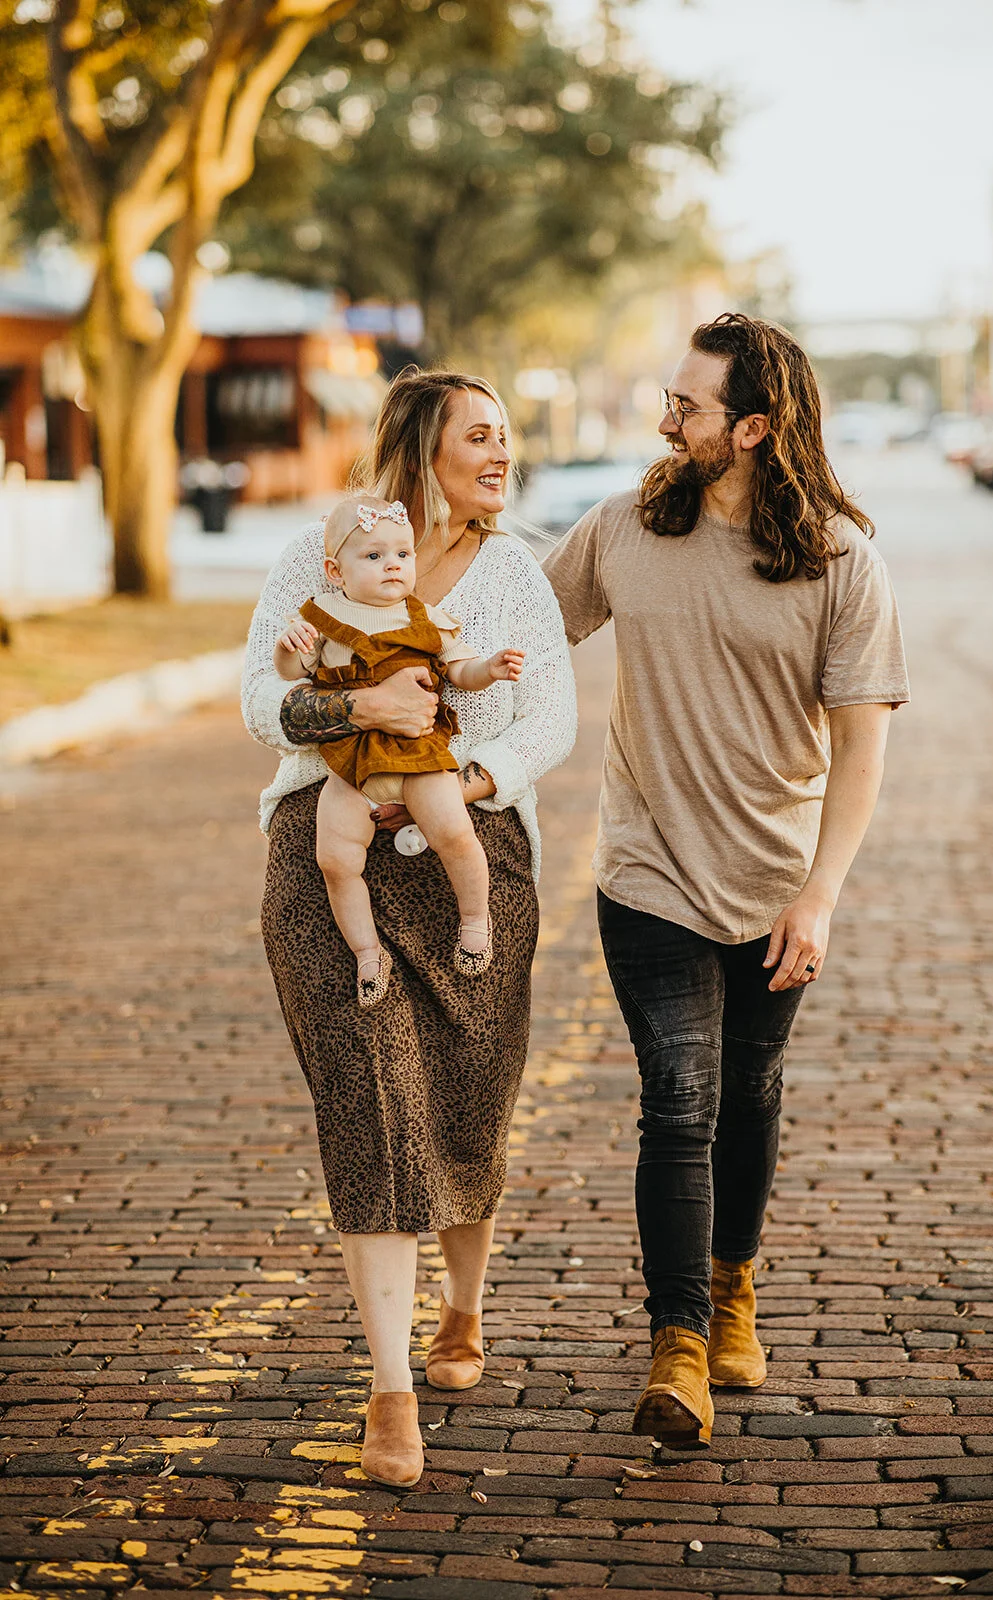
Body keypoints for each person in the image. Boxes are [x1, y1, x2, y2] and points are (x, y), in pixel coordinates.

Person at [543, 312, 909, 1448]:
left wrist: (819, 895)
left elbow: (860, 748)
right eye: (670, 399)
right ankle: (679, 1346)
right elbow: (517, 635)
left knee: (748, 1095)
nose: (666, 421)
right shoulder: (622, 528)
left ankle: (733, 1283)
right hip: (646, 871)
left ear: (751, 428)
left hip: (774, 881)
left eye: (686, 406)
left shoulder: (840, 561)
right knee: (678, 1098)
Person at [243, 369, 576, 1488]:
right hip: (327, 857)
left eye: (505, 435)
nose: (501, 453)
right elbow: (260, 697)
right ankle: (389, 1386)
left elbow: (551, 716)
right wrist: (358, 711)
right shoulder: (317, 557)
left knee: (470, 1095)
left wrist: (461, 784)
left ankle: (462, 1305)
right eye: (479, 435)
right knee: (369, 1100)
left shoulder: (514, 573)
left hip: (471, 851)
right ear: (421, 447)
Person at [273, 491, 525, 1005]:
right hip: (352, 765)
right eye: (374, 555)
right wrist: (288, 645)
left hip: (419, 757)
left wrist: (490, 668)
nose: (393, 565)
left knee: (454, 831)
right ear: (336, 571)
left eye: (402, 554)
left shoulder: (426, 619)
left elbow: (461, 670)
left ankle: (475, 919)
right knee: (335, 859)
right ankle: (368, 953)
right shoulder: (322, 618)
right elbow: (290, 674)